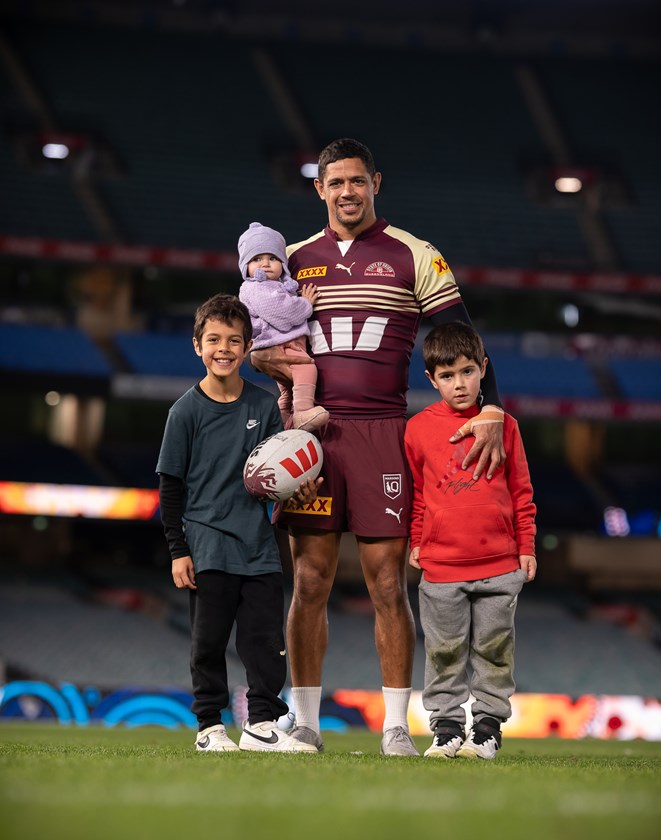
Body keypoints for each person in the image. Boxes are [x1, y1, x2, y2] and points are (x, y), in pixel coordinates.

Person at [250, 138, 506, 756]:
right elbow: (260, 339)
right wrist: (267, 365)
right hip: (312, 438)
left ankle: (396, 728)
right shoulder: (292, 259)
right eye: (335, 182)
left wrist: (492, 406)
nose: (346, 192)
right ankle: (305, 725)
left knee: (388, 582)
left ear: (375, 183)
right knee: (309, 579)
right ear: (320, 189)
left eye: (357, 181)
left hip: (384, 433)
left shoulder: (415, 254)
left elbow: (461, 337)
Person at [156, 293, 322, 754]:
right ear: (197, 346)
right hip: (207, 546)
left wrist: (299, 486)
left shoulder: (265, 406)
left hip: (258, 548)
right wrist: (177, 550)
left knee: (265, 642)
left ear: (249, 347)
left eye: (234, 340)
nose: (223, 348)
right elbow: (170, 490)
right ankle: (209, 728)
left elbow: (277, 475)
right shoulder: (184, 413)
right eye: (213, 339)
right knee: (207, 642)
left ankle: (261, 725)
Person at [404, 322, 536, 760]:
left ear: (483, 369)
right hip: (442, 567)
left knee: (494, 651)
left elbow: (521, 491)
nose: (458, 384)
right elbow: (418, 494)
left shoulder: (505, 425)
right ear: (431, 379)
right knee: (443, 652)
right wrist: (418, 540)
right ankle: (445, 729)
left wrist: (527, 546)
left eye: (466, 371)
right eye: (447, 375)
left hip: (500, 565)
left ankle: (487, 730)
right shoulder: (418, 429)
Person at [238, 221, 329, 432]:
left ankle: (283, 417)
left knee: (288, 389)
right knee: (305, 368)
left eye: (273, 258)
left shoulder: (274, 286)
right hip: (276, 345)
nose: (266, 263)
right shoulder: (255, 288)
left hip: (281, 344)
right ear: (246, 267)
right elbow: (283, 314)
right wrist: (305, 304)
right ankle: (303, 412)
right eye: (257, 259)